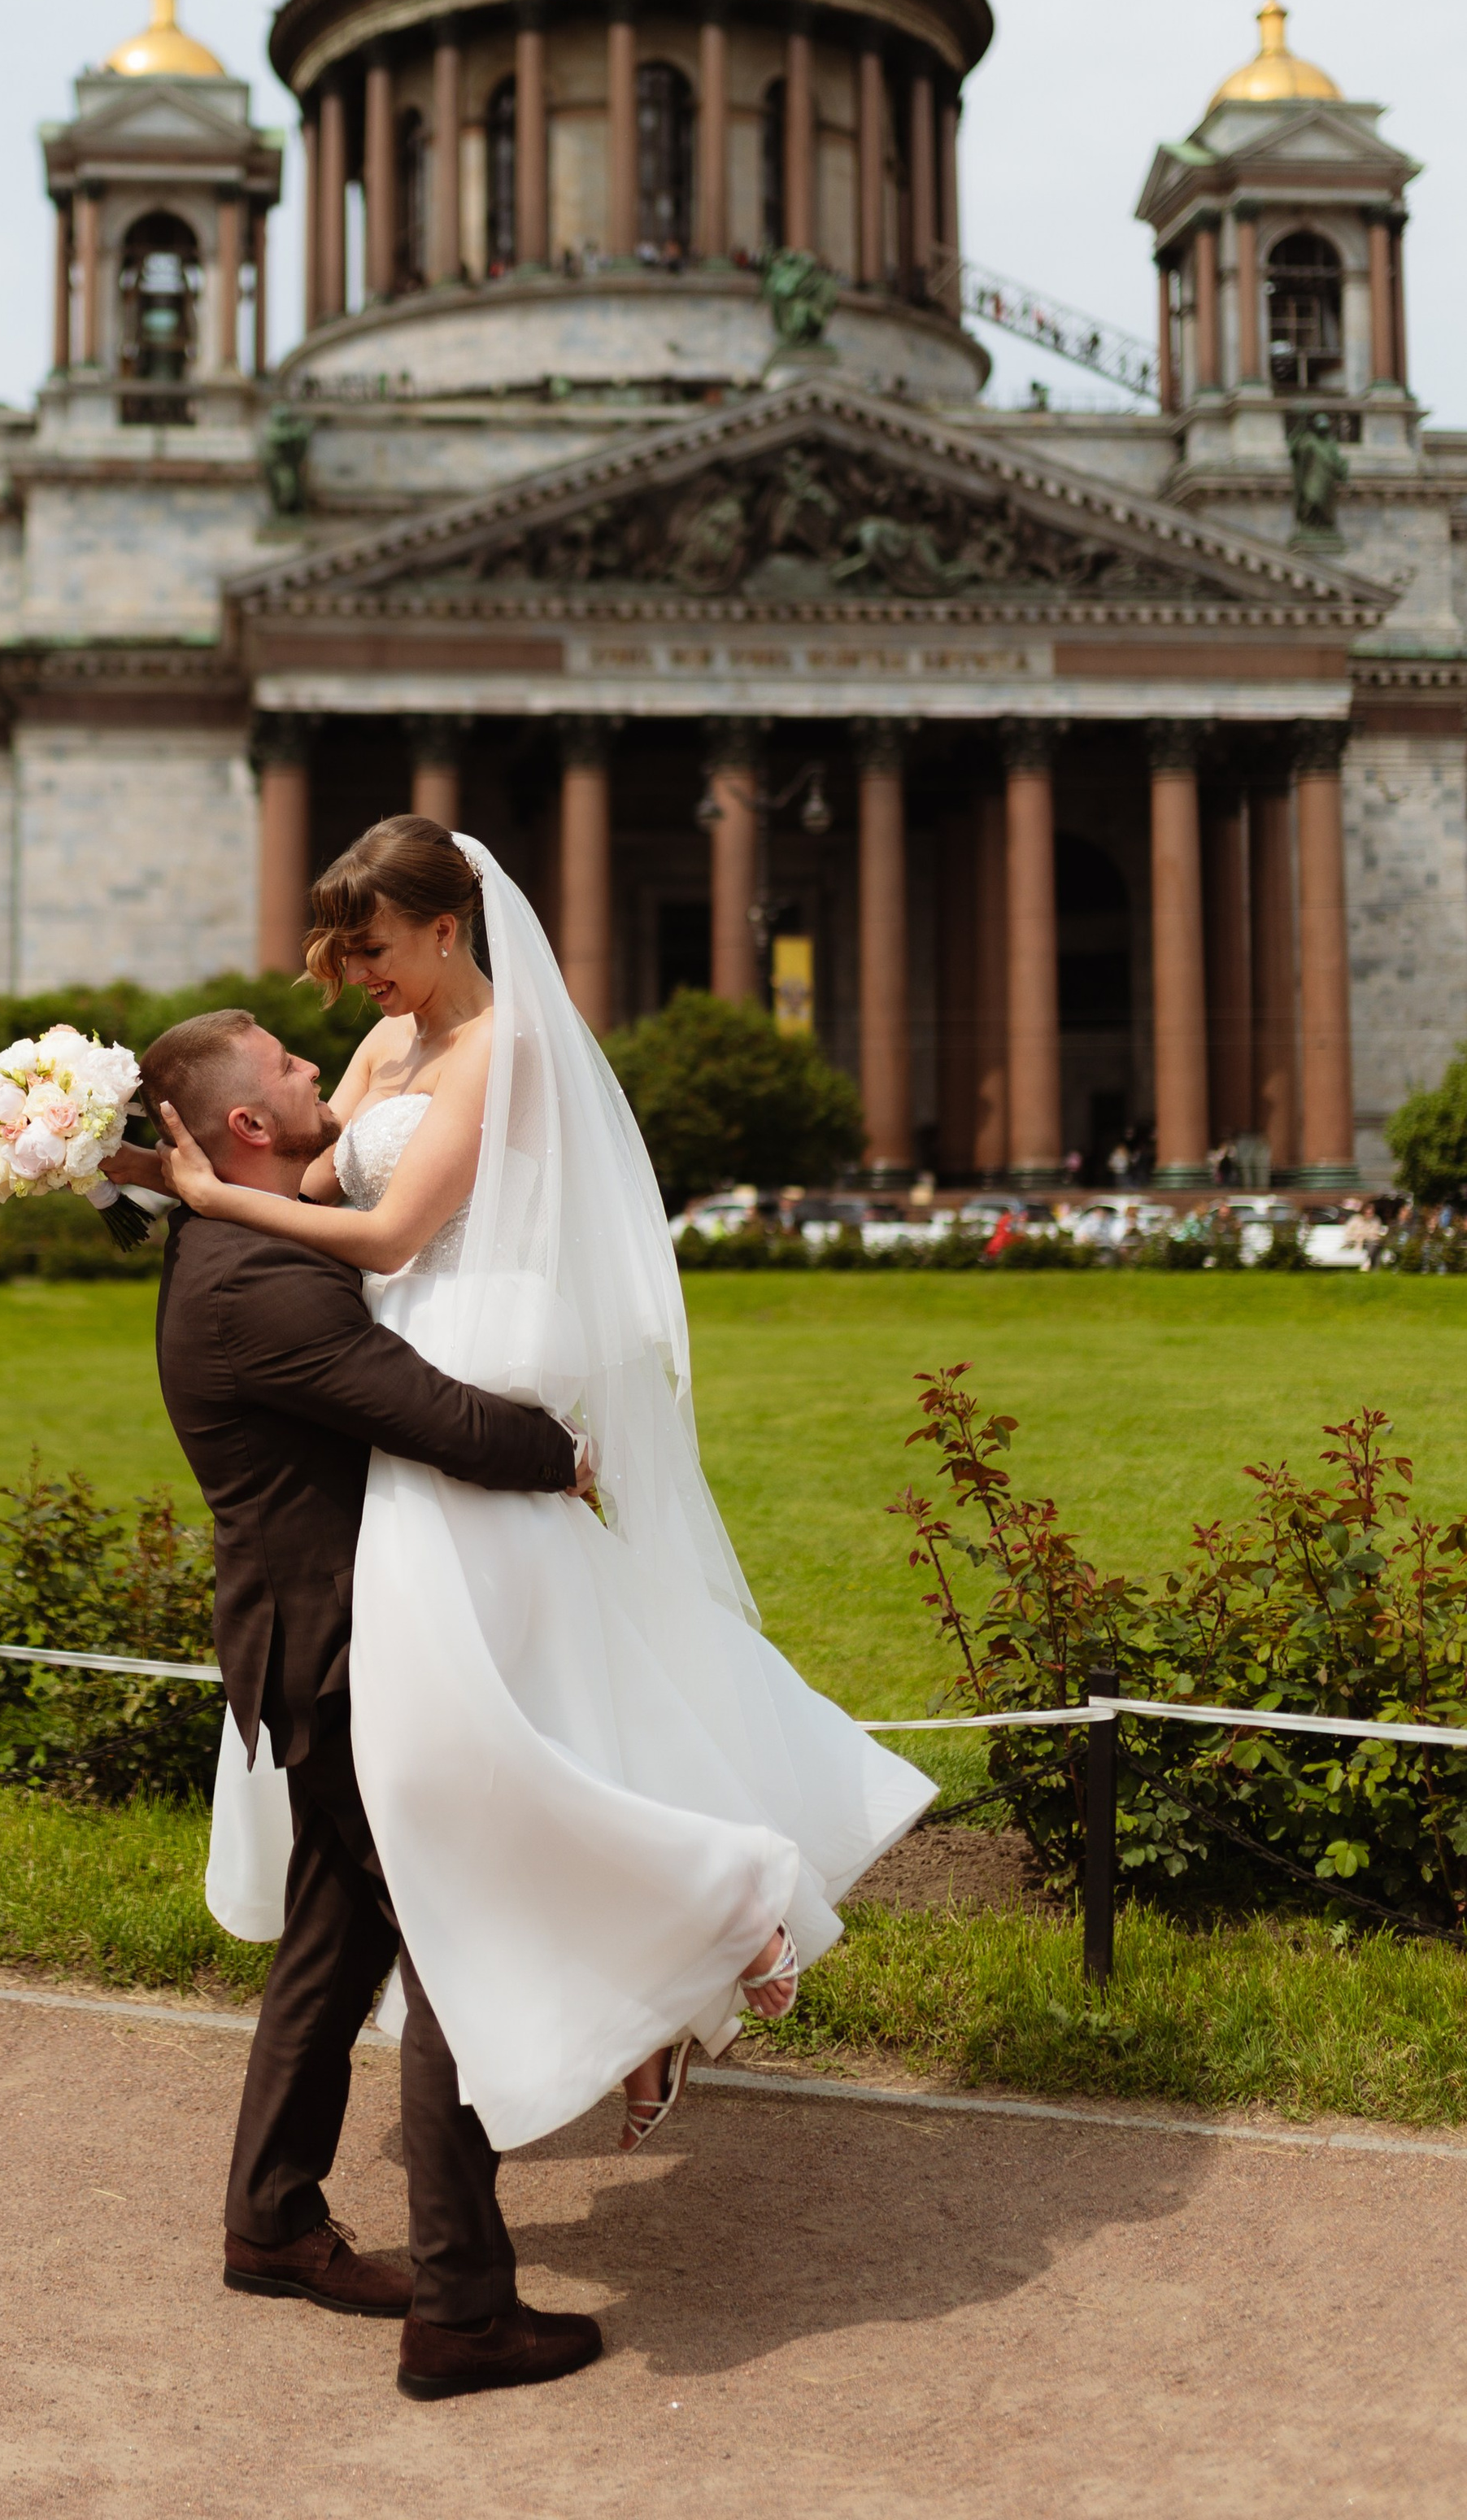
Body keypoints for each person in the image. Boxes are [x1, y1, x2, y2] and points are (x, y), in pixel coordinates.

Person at [146, 819, 931, 2182]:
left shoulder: (507, 1048)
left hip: (454, 1368)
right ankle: (649, 1996)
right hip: (390, 1376)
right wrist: (183, 1175)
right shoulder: (387, 1048)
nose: (356, 979)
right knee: (503, 1718)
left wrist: (217, 1199)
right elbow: (314, 1174)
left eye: (375, 948)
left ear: (448, 928)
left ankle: (709, 1915)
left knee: (471, 1725)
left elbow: (386, 1234)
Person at [134, 1003, 604, 2404]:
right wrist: (565, 1453)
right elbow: (431, 1414)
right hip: (336, 1656)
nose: (316, 1063)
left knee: (336, 1937)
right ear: (249, 1130)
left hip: (307, 1640)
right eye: (288, 1063)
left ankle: (271, 2220)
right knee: (452, 1937)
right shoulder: (257, 1281)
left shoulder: (232, 1242)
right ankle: (463, 2309)